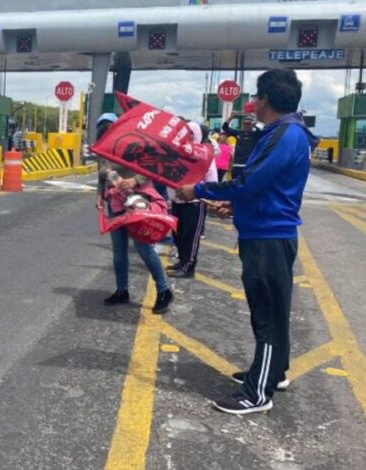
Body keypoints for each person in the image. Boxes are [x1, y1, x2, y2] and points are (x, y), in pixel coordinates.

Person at [177, 69, 319, 415]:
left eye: (255, 97)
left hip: (268, 238)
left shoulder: (286, 135)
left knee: (268, 315)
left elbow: (249, 182)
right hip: (264, 232)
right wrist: (235, 205)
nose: (251, 103)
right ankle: (274, 372)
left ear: (266, 100)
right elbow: (262, 187)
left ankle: (258, 394)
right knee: (268, 310)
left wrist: (197, 190)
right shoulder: (283, 132)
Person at [95, 113, 174, 314]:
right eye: (103, 129)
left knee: (143, 247)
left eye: (110, 128)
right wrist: (99, 195)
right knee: (119, 251)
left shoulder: (135, 144)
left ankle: (164, 290)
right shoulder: (101, 148)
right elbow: (102, 174)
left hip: (138, 202)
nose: (107, 132)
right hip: (115, 202)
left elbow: (151, 169)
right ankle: (122, 290)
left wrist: (134, 180)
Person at [167, 122, 218, 279]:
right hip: (176, 201)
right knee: (178, 234)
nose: (186, 136)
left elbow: (212, 180)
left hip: (195, 203)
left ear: (196, 135)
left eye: (189, 133)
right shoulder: (176, 153)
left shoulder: (204, 155)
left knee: (191, 236)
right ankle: (182, 260)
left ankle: (189, 266)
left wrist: (199, 192)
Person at [222, 113, 260, 180]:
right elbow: (225, 127)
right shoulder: (238, 133)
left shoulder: (255, 135)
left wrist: (255, 124)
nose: (246, 125)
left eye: (248, 124)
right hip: (236, 165)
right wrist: (231, 117)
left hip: (248, 165)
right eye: (244, 123)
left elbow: (263, 131)